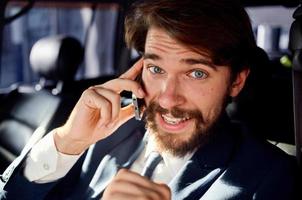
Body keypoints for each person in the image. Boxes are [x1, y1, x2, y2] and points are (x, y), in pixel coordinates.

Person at [2, 0, 298, 199]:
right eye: (155, 69)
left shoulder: (271, 178)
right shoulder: (104, 133)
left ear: (236, 81)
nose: (168, 98)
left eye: (196, 73)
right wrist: (68, 141)